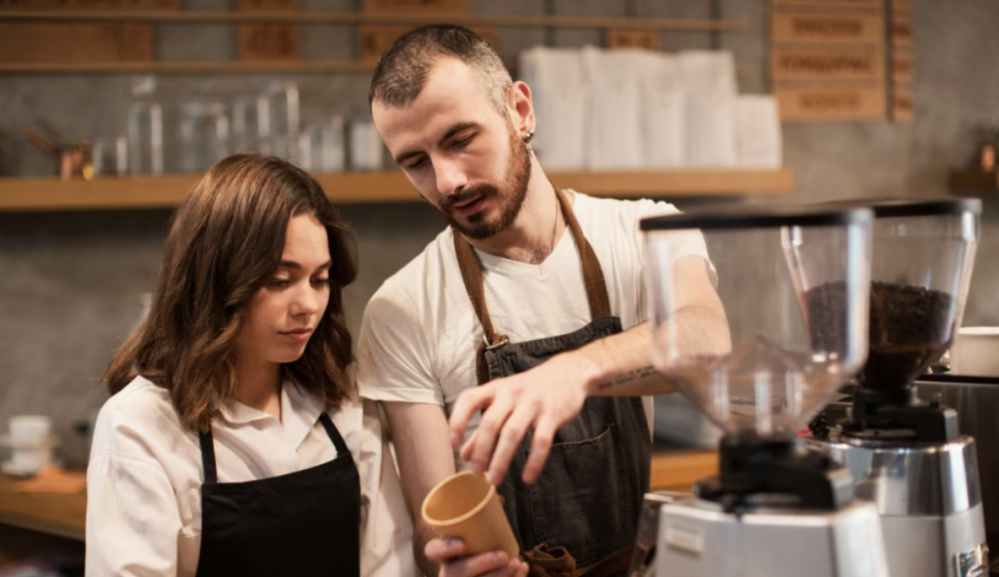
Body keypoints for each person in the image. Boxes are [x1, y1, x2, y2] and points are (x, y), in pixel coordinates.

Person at [357, 25, 730, 577]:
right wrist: (458, 564)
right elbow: (436, 524)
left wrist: (576, 370)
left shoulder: (645, 231)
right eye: (415, 161)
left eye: (460, 139)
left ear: (521, 111)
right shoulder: (401, 310)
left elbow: (707, 341)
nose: (447, 180)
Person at [86, 154, 417, 577]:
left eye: (320, 279)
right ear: (216, 279)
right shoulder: (140, 425)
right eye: (280, 281)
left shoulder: (344, 401)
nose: (308, 306)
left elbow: (390, 563)